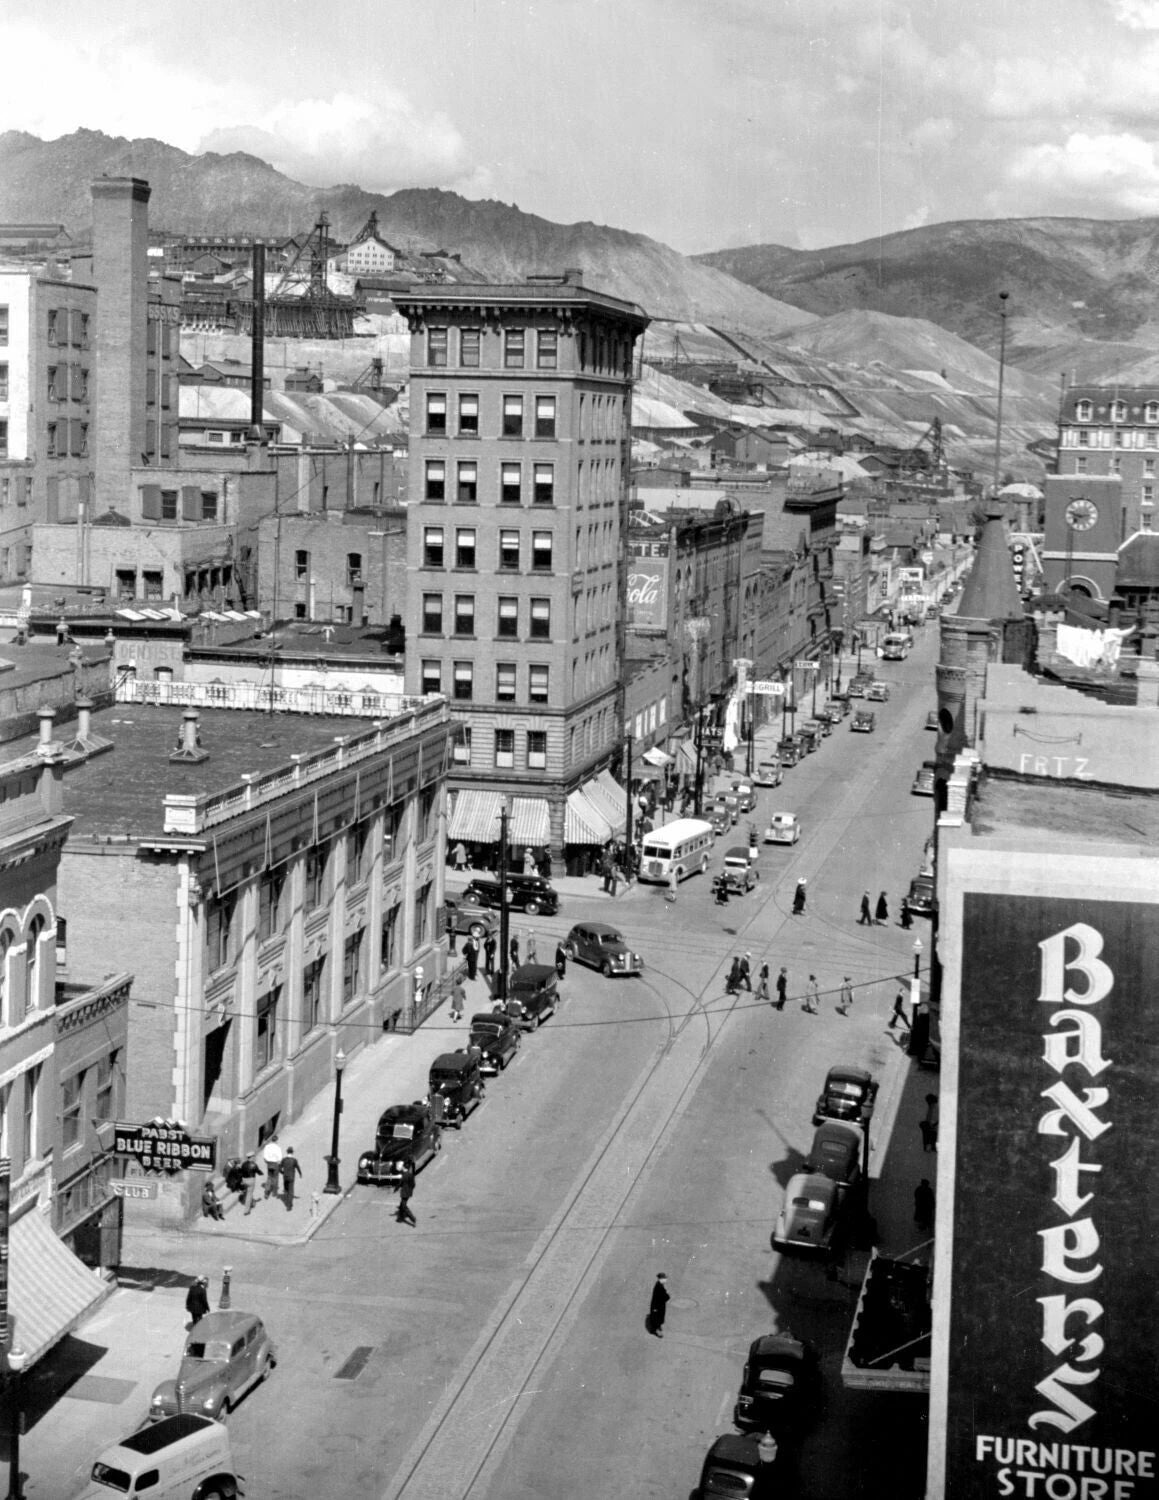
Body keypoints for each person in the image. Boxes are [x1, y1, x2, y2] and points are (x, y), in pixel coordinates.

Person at [647, 1272, 670, 1338]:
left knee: (658, 1317)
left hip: (658, 1305)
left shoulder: (659, 1285)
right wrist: (668, 1296)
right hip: (658, 1306)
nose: (665, 1279)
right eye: (664, 1278)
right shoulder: (659, 1287)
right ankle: (657, 1331)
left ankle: (656, 1328)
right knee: (656, 1318)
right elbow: (664, 1296)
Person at [261, 1134, 283, 1199]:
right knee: (275, 1178)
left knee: (269, 1177)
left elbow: (264, 1157)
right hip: (275, 1164)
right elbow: (280, 1158)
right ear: (276, 1140)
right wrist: (279, 1162)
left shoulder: (267, 1147)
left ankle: (266, 1192)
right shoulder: (278, 1148)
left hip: (269, 1163)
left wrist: (267, 1162)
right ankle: (274, 1192)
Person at [396, 1160, 417, 1225]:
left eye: (402, 1167)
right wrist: (410, 1189)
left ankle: (413, 1218)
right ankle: (400, 1217)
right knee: (401, 1204)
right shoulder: (410, 1175)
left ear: (404, 1168)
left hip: (405, 1193)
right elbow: (413, 1184)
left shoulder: (404, 1175)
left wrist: (397, 1189)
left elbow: (400, 1183)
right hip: (408, 1192)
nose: (402, 1168)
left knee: (404, 1206)